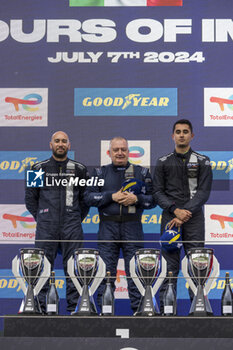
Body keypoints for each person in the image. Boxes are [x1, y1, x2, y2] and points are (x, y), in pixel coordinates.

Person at [84, 137, 156, 313]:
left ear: (128, 151)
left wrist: (136, 199)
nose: (120, 153)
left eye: (123, 149)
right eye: (116, 150)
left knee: (136, 274)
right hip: (107, 229)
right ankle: (105, 312)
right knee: (106, 274)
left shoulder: (142, 173)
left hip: (133, 228)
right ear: (109, 152)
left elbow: (154, 200)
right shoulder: (99, 173)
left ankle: (140, 312)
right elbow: (87, 197)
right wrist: (111, 196)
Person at [25, 131, 89, 313]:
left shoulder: (80, 169)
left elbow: (85, 200)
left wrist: (75, 217)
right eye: (57, 141)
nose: (60, 144)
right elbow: (30, 199)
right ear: (50, 144)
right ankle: (39, 308)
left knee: (75, 270)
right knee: (42, 269)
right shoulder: (37, 168)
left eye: (64, 141)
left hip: (72, 226)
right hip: (47, 227)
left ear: (69, 145)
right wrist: (44, 218)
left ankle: (75, 309)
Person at [153, 119, 213, 312]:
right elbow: (157, 192)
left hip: (193, 219)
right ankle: (167, 310)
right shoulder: (162, 162)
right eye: (178, 132)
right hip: (170, 219)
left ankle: (198, 309)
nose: (181, 135)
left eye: (185, 132)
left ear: (192, 136)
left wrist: (184, 213)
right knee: (169, 268)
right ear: (172, 136)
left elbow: (203, 192)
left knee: (196, 266)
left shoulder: (203, 161)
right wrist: (174, 211)